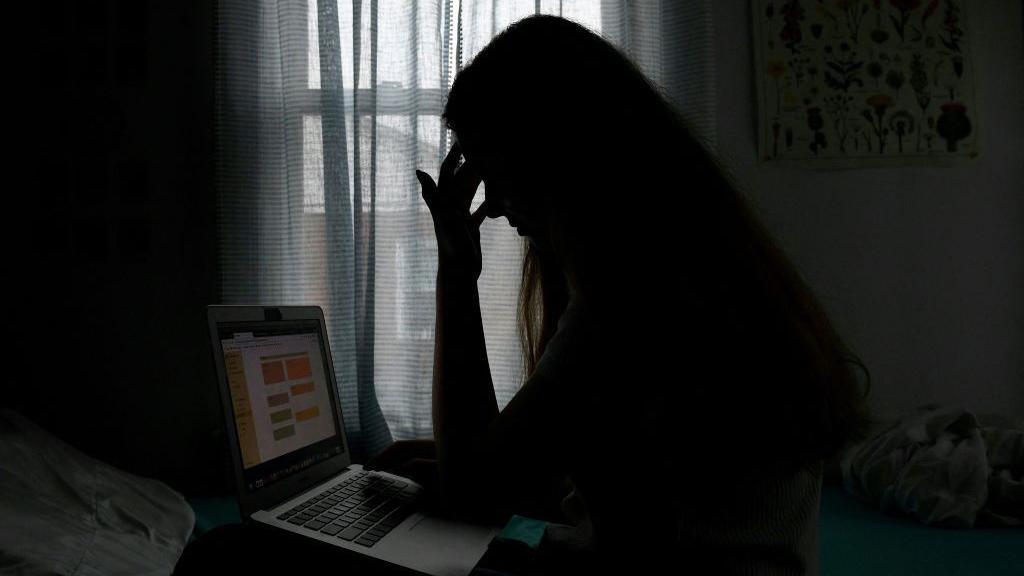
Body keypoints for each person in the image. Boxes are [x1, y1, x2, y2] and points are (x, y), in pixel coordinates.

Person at [396, 14, 871, 575]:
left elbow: (476, 493)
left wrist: (456, 275)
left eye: (492, 166)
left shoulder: (627, 308)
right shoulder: (703, 266)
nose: (492, 203)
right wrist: (449, 460)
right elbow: (562, 473)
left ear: (549, 155)